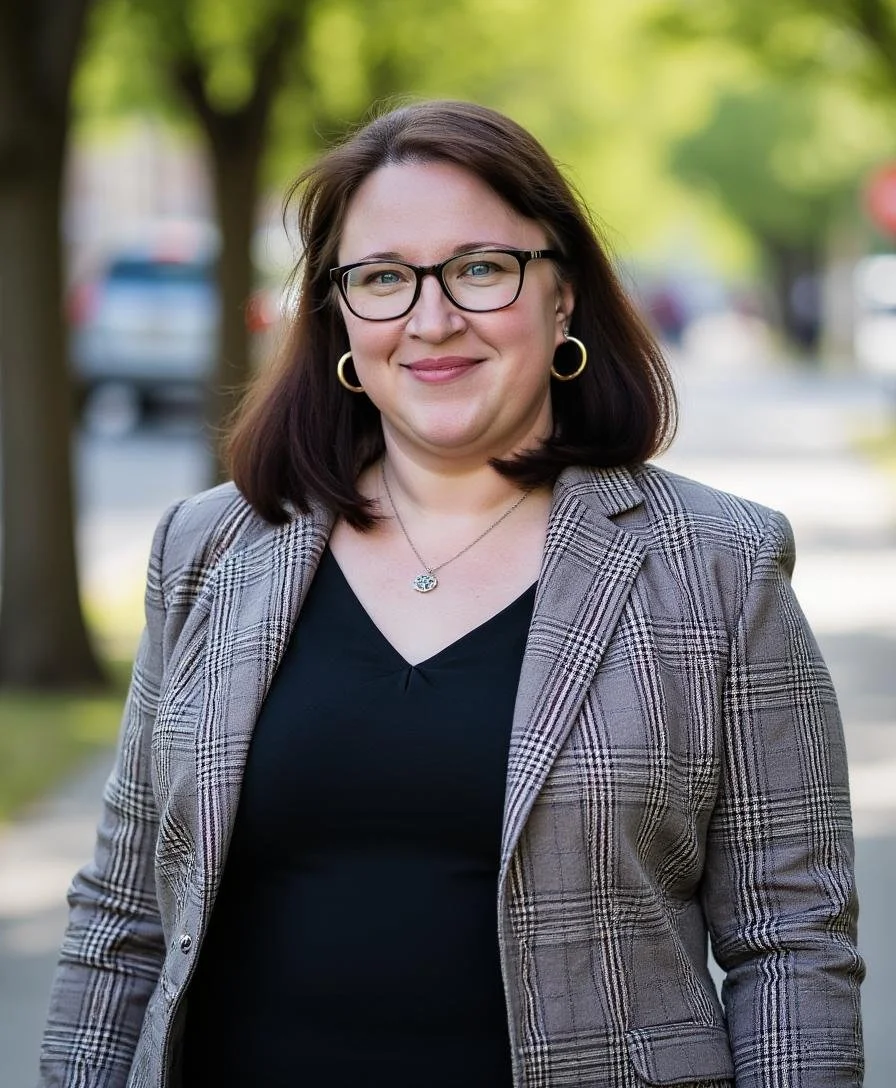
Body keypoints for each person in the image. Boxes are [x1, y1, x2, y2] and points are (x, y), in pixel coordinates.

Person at [39, 100, 863, 1088]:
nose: (430, 320)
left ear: (561, 295)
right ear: (338, 312)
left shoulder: (718, 563)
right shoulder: (212, 546)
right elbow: (123, 914)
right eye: (383, 277)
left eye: (479, 267)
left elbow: (790, 938)